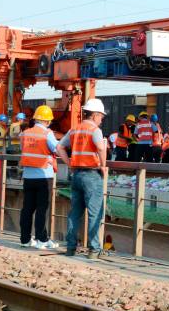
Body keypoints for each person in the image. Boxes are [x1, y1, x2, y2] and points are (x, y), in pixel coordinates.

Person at [56, 97, 108, 258]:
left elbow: (59, 147)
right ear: (94, 115)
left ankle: (71, 247)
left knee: (75, 212)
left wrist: (70, 163)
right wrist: (103, 166)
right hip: (92, 174)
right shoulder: (95, 130)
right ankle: (94, 250)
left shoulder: (75, 129)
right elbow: (100, 148)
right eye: (101, 116)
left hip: (77, 174)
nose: (101, 119)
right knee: (95, 213)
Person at [19, 105, 59, 249]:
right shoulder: (47, 134)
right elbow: (57, 149)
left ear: (36, 118)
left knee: (27, 209)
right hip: (44, 176)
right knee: (42, 208)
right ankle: (42, 240)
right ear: (47, 121)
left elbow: (24, 150)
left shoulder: (25, 133)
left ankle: (25, 240)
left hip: (28, 176)